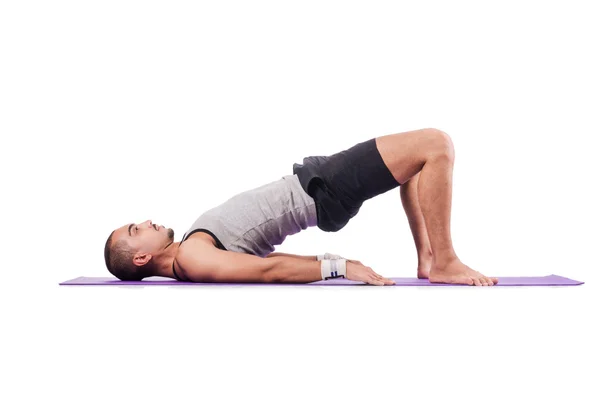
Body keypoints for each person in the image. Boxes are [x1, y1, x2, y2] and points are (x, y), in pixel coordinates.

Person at [104, 128, 499, 286]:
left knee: (413, 165)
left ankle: (429, 260)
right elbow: (268, 270)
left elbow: (265, 253)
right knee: (435, 144)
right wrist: (340, 268)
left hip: (317, 183)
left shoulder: (191, 252)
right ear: (140, 258)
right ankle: (446, 261)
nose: (145, 222)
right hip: (323, 188)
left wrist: (326, 257)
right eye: (135, 231)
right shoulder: (192, 259)